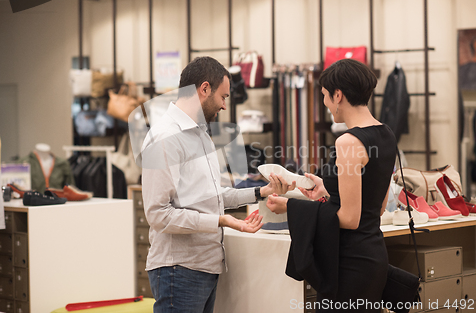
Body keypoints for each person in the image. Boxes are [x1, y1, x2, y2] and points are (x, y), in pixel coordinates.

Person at [141, 56, 294, 313]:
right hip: (178, 270)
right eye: (223, 97)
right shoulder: (165, 137)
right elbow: (158, 215)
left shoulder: (201, 134)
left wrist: (261, 191)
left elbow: (213, 196)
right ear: (204, 89)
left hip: (205, 266)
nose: (224, 106)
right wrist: (220, 221)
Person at [267, 58, 397, 312]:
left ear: (338, 95)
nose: (325, 103)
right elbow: (377, 206)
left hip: (350, 262)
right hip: (373, 254)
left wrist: (292, 207)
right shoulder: (386, 134)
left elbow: (350, 218)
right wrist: (328, 189)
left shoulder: (348, 142)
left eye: (325, 95)